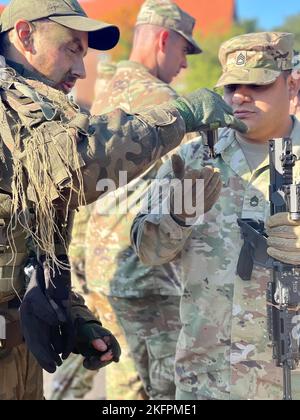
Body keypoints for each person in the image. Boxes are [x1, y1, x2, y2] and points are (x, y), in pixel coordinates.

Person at [0, 0, 245, 401]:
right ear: (25, 35)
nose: (81, 70)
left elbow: (31, 238)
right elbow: (75, 166)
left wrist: (75, 318)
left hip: (19, 355)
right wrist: (180, 113)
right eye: (72, 48)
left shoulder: (34, 111)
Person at [131, 31, 300, 400]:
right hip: (206, 380)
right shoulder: (191, 160)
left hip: (288, 379)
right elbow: (147, 252)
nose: (240, 96)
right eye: (231, 86)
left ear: (291, 85)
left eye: (257, 84)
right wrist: (176, 218)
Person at [51, 0, 202, 400]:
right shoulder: (161, 100)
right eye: (184, 51)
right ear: (165, 39)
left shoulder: (109, 88)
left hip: (100, 266)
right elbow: (195, 177)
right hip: (144, 273)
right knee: (143, 389)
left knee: (99, 372)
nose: (183, 64)